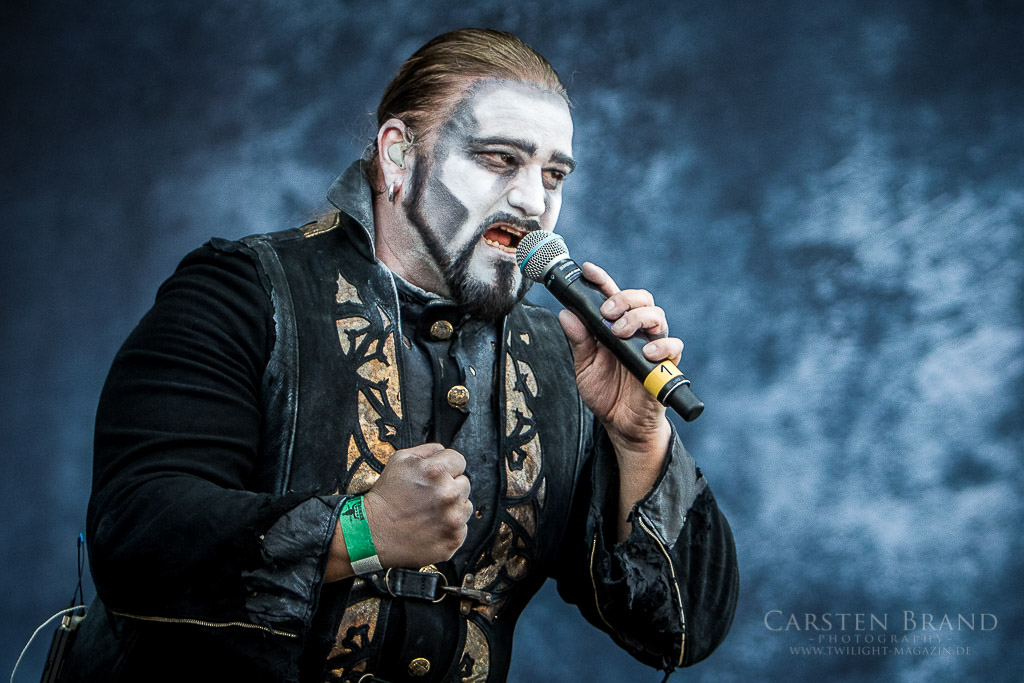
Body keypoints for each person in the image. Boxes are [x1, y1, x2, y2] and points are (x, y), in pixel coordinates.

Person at [65, 28, 738, 683]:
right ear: (397, 157)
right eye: (500, 160)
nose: (534, 201)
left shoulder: (563, 361)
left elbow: (680, 630)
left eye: (554, 174)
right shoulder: (244, 293)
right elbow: (136, 538)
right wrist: (364, 531)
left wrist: (640, 439)